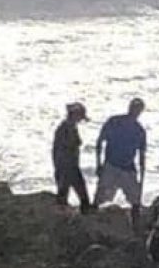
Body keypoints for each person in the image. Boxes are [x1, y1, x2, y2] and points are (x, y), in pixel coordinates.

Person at [95, 97, 147, 229]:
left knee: (135, 201)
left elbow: (141, 154)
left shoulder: (139, 130)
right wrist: (98, 164)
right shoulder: (114, 121)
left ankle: (136, 228)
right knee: (100, 197)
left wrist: (142, 175)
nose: (134, 111)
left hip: (128, 168)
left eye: (138, 109)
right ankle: (93, 222)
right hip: (111, 165)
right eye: (133, 107)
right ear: (129, 107)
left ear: (140, 111)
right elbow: (100, 142)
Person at [52, 102, 94, 214]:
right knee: (68, 194)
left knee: (77, 194)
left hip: (69, 165)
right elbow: (69, 146)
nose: (80, 120)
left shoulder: (69, 127)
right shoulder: (65, 129)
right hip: (66, 166)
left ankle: (76, 213)